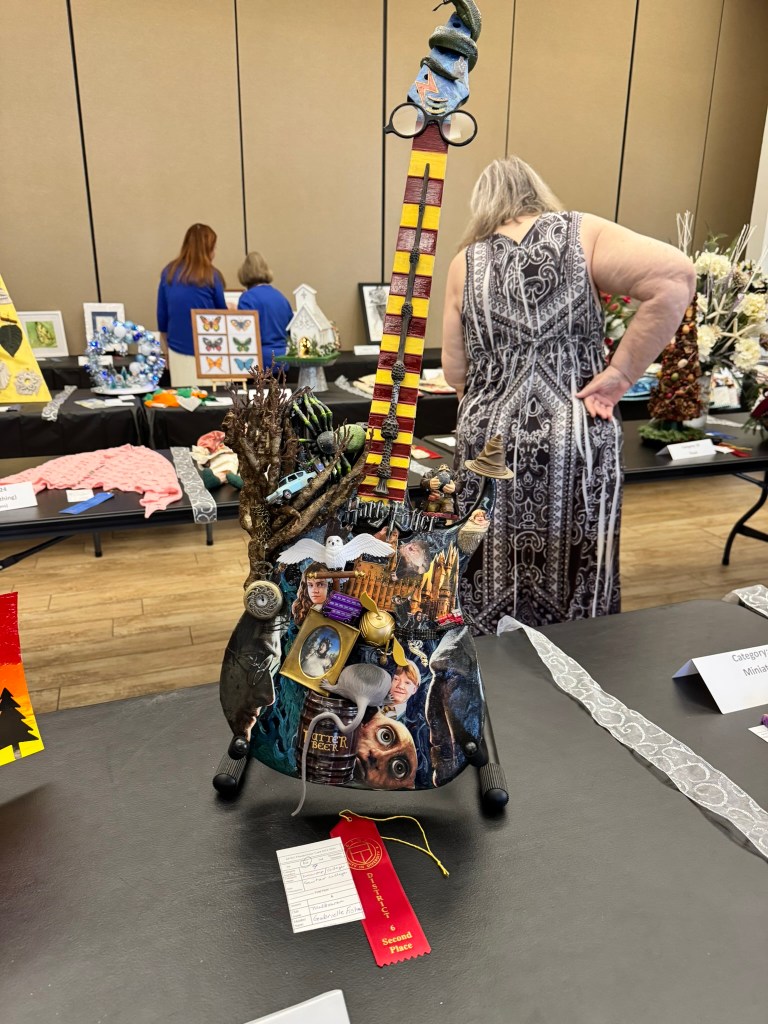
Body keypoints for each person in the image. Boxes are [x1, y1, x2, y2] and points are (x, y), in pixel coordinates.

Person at [442, 156, 695, 633]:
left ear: (482, 204)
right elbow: (675, 277)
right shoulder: (584, 233)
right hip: (575, 428)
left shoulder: (465, 262)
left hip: (489, 439)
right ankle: (581, 653)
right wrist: (621, 373)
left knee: (483, 555)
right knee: (581, 563)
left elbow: (456, 371)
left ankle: (486, 654)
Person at [157, 224, 226, 386]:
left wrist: (166, 349)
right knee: (214, 398)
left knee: (184, 397)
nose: (215, 253)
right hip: (210, 350)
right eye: (214, 248)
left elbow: (162, 316)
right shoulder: (212, 275)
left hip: (177, 348)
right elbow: (222, 315)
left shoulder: (169, 272)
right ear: (207, 249)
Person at [236, 252, 293, 367]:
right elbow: (291, 330)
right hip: (284, 361)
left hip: (259, 361)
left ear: (244, 273)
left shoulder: (247, 299)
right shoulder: (281, 297)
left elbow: (243, 335)